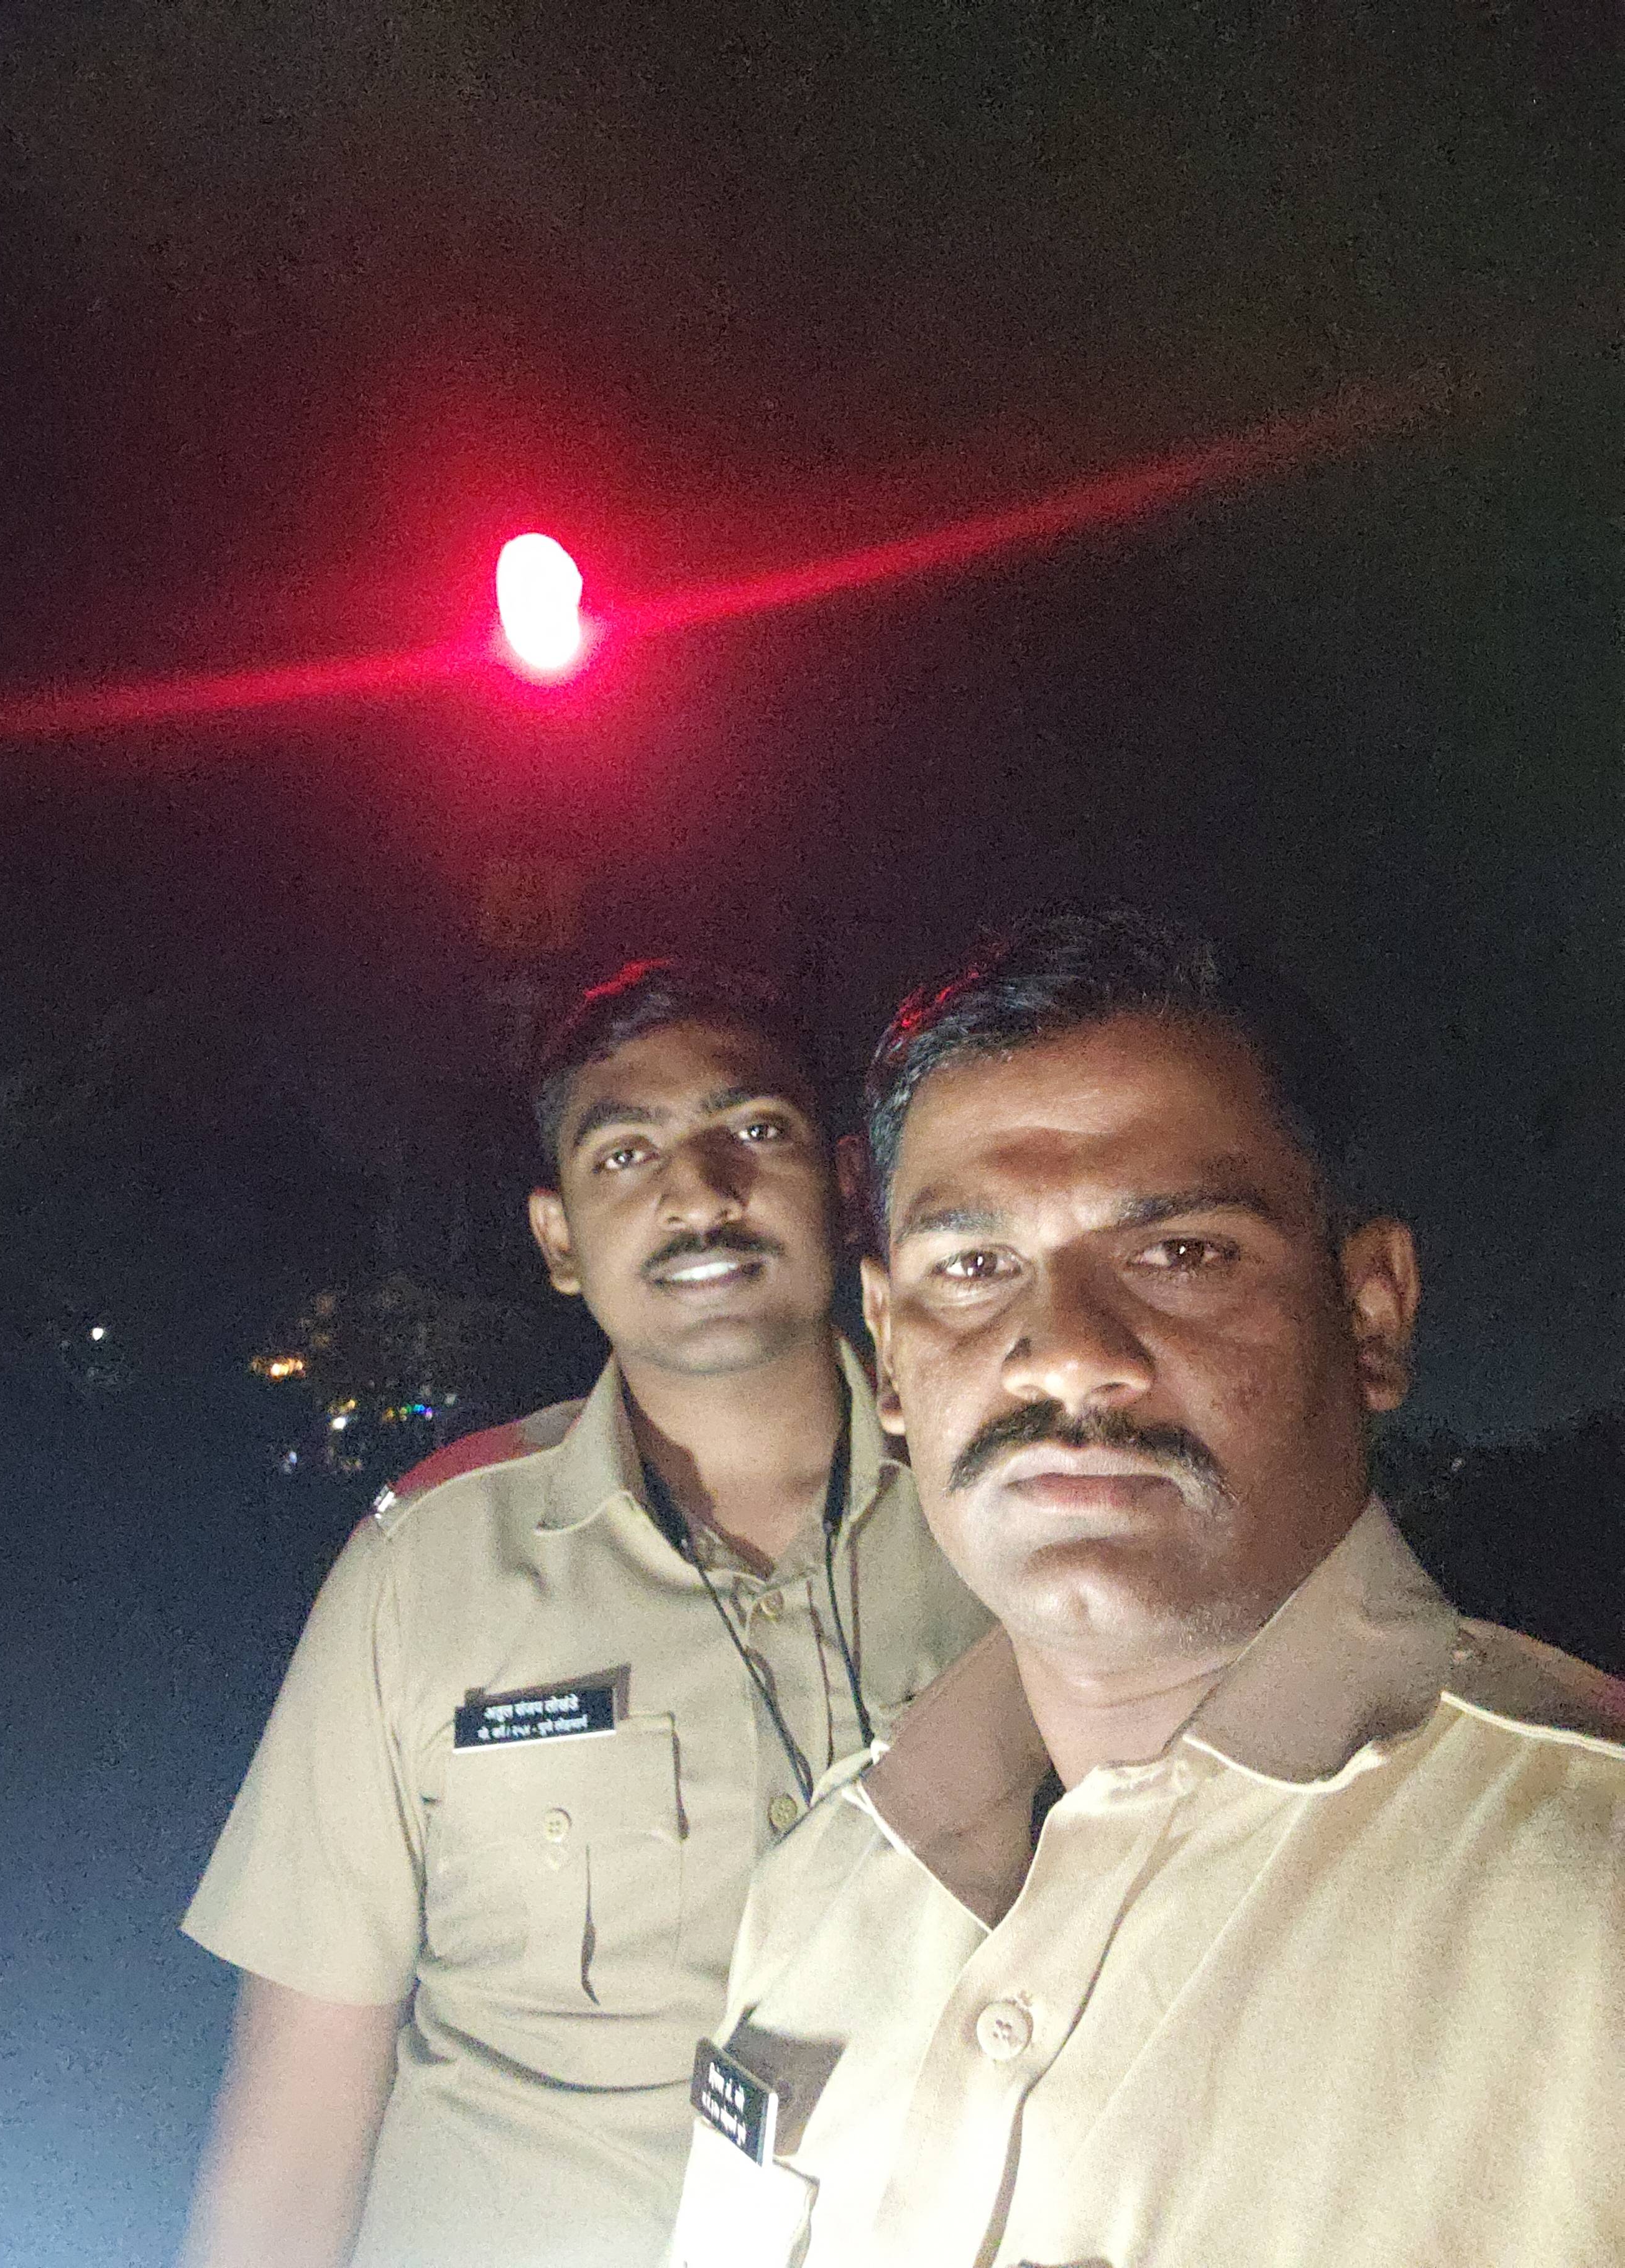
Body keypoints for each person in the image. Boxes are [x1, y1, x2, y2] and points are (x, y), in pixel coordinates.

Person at [670, 909, 1625, 2268]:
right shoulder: (825, 1884)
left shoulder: (1591, 1910)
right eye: (974, 1268)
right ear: (886, 1354)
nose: (1064, 1352)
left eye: (1182, 1253)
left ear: (1370, 1314)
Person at [175, 959, 990, 2268]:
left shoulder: (1011, 1524)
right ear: (559, 1239)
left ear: (848, 1186)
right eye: (625, 1156)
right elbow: (298, 2109)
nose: (700, 1193)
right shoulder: (427, 1571)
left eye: (755, 1130)